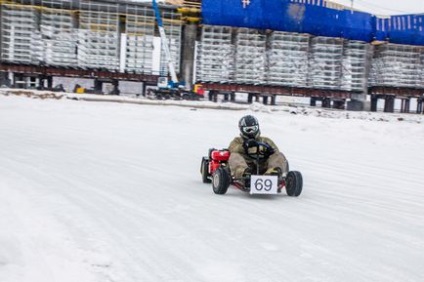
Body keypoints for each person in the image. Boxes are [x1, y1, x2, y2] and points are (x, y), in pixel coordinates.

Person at [228, 115, 288, 185]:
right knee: (234, 155)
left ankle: (272, 174)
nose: (251, 132)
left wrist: (270, 151)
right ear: (242, 130)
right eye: (248, 130)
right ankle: (245, 175)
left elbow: (276, 152)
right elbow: (232, 149)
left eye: (253, 129)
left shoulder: (265, 140)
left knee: (279, 155)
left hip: (263, 165)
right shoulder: (237, 140)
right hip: (247, 164)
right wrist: (244, 146)